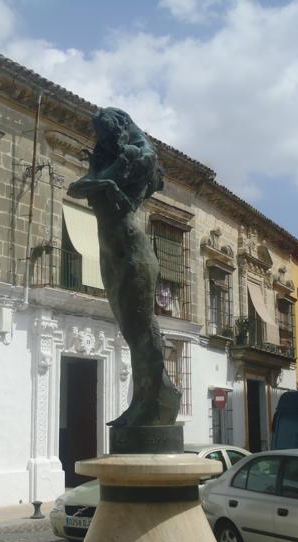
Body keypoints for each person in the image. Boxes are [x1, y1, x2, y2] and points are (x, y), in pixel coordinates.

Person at [68, 107, 180, 427]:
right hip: (111, 255)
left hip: (133, 253)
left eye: (107, 133)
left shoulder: (135, 156)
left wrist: (107, 180)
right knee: (133, 335)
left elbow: (142, 160)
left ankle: (158, 398)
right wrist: (105, 183)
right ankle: (144, 400)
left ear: (119, 130)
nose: (102, 140)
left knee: (143, 332)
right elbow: (77, 187)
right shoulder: (108, 160)